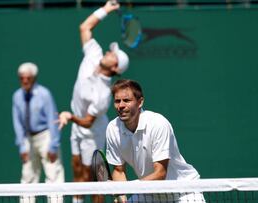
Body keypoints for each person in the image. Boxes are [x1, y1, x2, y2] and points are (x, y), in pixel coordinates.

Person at [58, 2, 129, 203]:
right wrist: (106, 9)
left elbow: (88, 121)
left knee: (95, 180)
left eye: (112, 54)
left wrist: (70, 116)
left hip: (92, 132)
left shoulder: (104, 94)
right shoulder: (94, 53)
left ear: (115, 67)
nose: (108, 52)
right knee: (77, 170)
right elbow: (85, 27)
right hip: (75, 125)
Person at [106, 79, 205, 202]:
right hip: (149, 193)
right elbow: (118, 170)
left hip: (184, 192)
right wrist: (121, 196)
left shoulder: (158, 123)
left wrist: (125, 188)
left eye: (126, 100)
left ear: (140, 102)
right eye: (117, 101)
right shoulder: (112, 129)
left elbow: (160, 174)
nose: (121, 105)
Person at [12, 62, 65, 203]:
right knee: (27, 176)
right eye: (21, 78)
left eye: (27, 78)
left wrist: (53, 145)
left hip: (45, 136)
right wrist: (22, 146)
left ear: (34, 78)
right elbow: (17, 123)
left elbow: (52, 119)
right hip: (28, 139)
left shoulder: (44, 94)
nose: (24, 81)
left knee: (53, 175)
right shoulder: (17, 96)